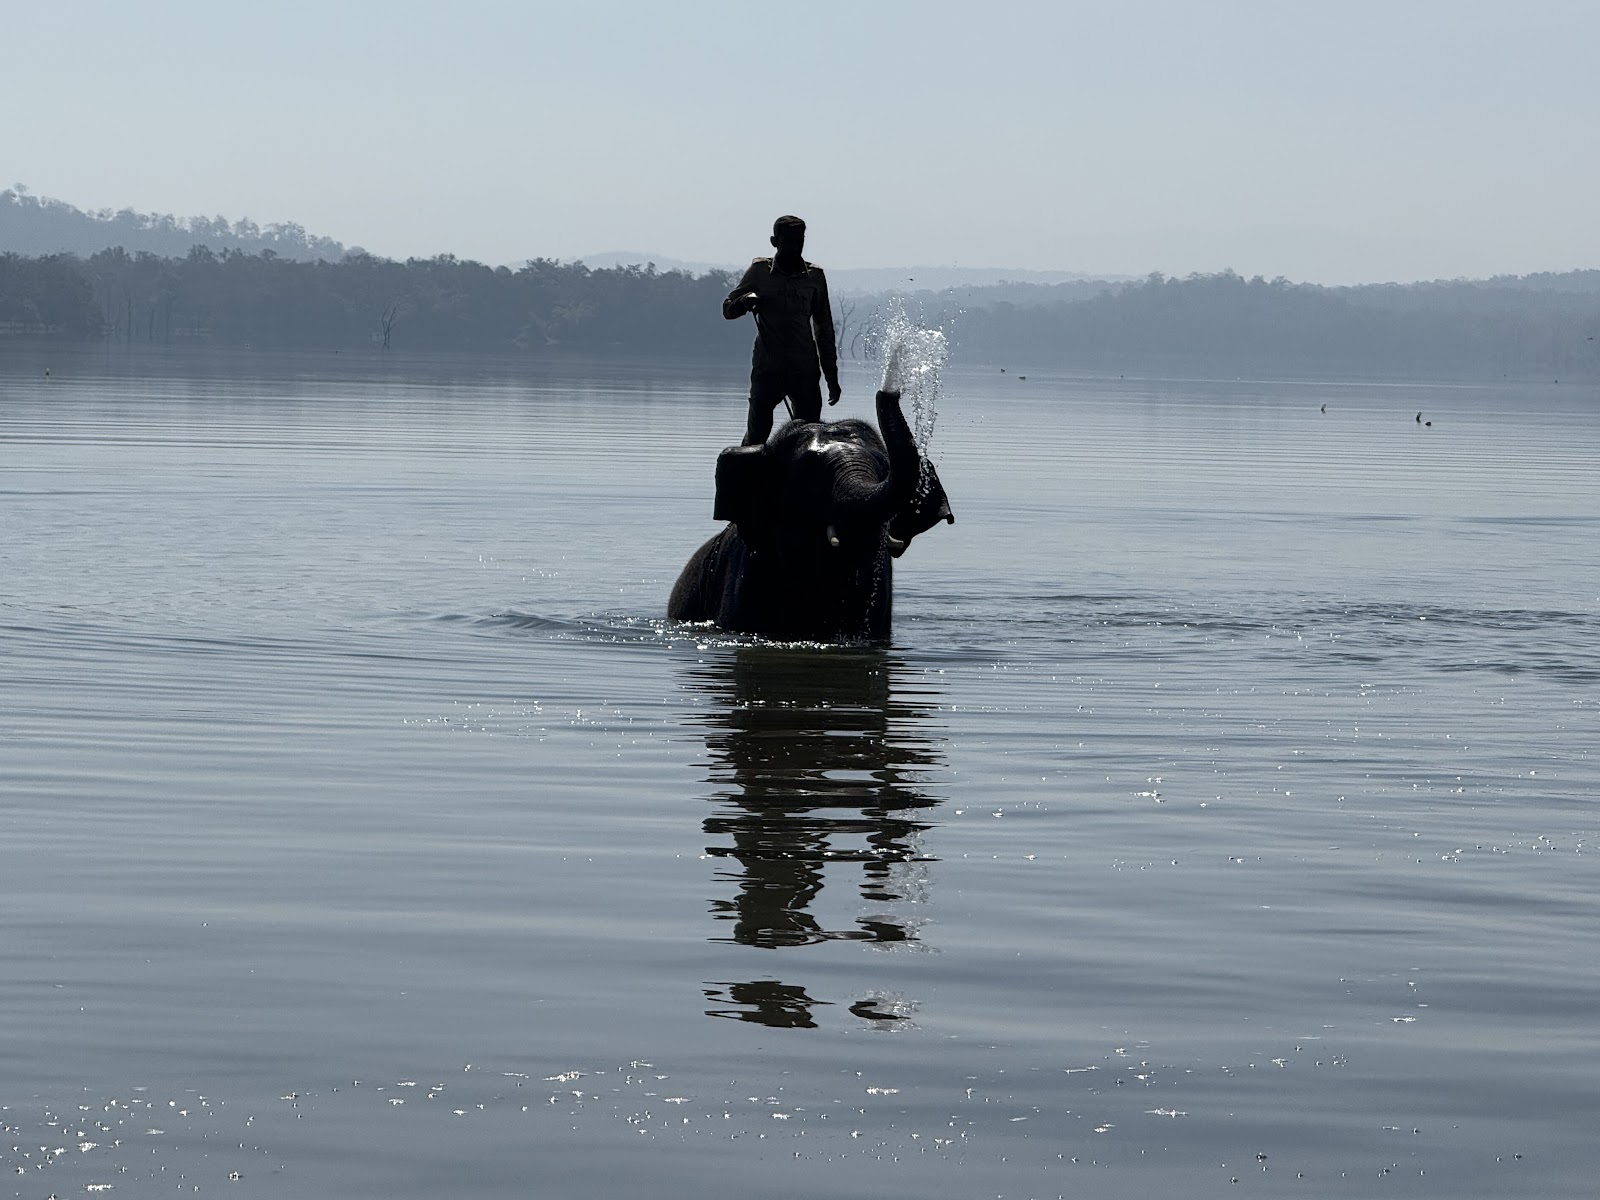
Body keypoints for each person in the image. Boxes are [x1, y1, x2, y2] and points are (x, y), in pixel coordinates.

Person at [723, 215, 841, 445]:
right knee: (757, 436)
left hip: (804, 370)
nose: (795, 247)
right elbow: (728, 309)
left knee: (809, 441)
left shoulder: (815, 277)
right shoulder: (759, 271)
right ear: (774, 241)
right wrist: (746, 300)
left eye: (799, 241)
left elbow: (823, 329)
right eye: (788, 241)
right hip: (767, 369)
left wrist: (831, 377)